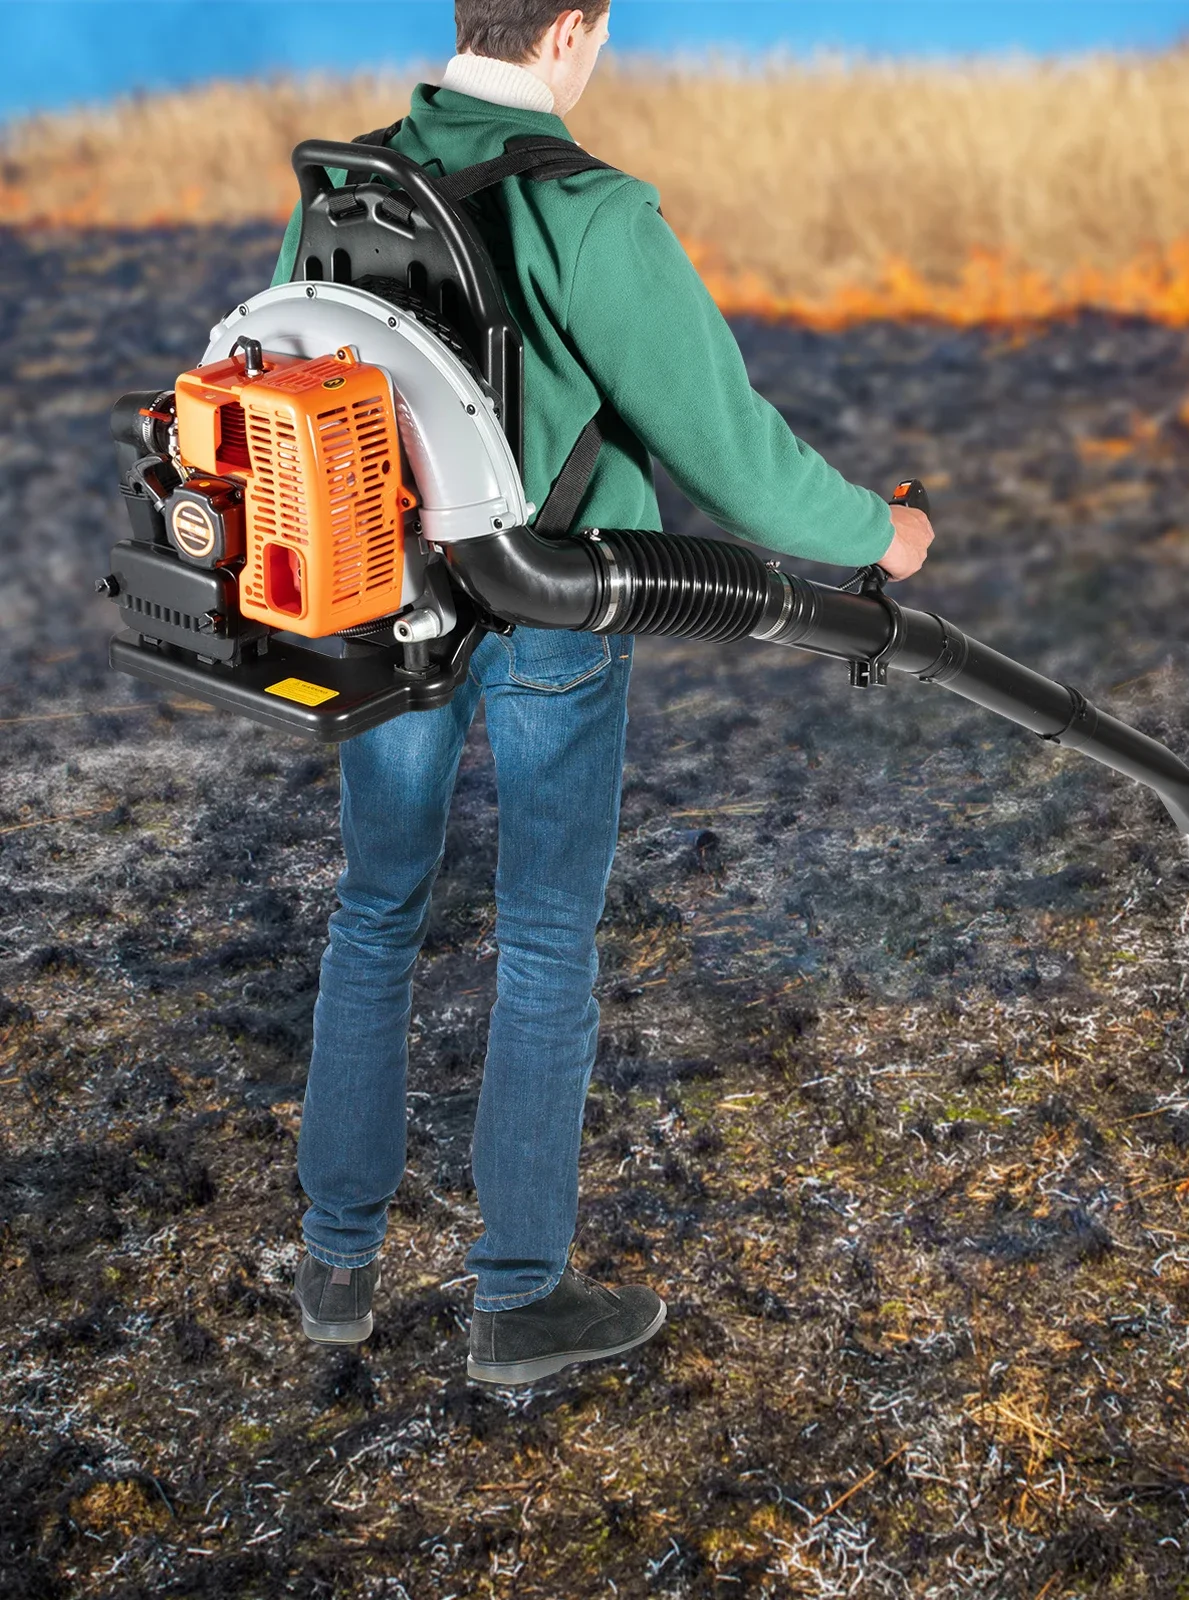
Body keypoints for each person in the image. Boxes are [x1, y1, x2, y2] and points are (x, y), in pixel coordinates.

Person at [285, 0, 936, 1387]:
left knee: (375, 910)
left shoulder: (353, 182)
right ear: (573, 31)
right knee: (541, 942)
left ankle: (335, 1265)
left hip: (384, 599)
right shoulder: (594, 214)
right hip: (551, 610)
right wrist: (882, 535)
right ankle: (517, 1299)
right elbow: (737, 456)